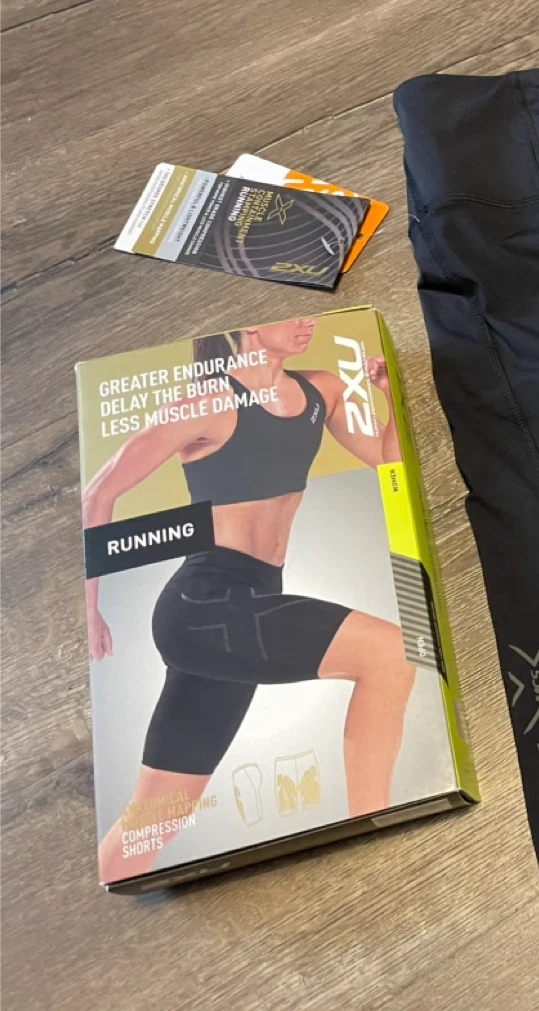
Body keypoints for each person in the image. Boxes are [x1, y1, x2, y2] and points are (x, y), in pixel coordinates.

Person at [83, 318, 416, 882]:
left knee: (153, 822)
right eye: (293, 315)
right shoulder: (207, 403)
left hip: (249, 604)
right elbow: (100, 491)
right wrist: (90, 609)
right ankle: (375, 841)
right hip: (202, 606)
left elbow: (390, 466)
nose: (307, 322)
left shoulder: (323, 390)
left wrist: (391, 400)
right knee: (390, 654)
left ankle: (99, 891)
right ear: (251, 328)